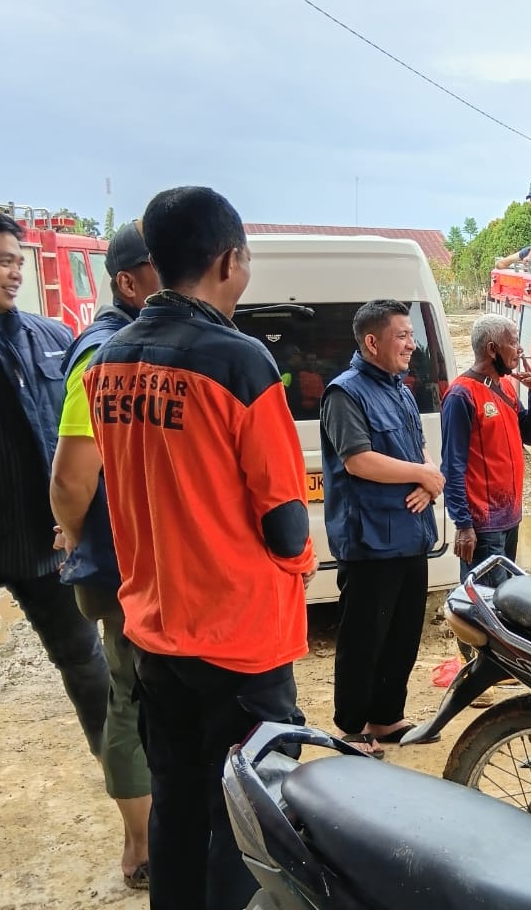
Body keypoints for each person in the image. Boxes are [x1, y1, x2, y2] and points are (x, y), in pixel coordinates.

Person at [86, 186, 317, 910]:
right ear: (229, 260)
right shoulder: (240, 363)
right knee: (252, 816)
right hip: (240, 639)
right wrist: (298, 566)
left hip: (156, 633)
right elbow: (286, 523)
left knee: (180, 802)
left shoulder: (107, 361)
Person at [0, 208, 109, 854]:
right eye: (4, 260)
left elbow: (77, 444)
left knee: (85, 662)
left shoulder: (49, 337)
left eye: (19, 260)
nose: (17, 272)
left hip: (44, 541)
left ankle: (116, 764)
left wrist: (76, 520)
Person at [49, 220, 158, 890]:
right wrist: (71, 530)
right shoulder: (104, 354)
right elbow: (70, 477)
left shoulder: (125, 341)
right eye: (158, 265)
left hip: (128, 555)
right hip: (120, 561)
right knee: (130, 694)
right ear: (127, 279)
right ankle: (141, 846)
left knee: (145, 691)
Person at [320, 300, 443, 754]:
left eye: (412, 336)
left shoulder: (400, 389)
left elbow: (420, 452)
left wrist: (432, 480)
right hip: (370, 540)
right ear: (372, 342)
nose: (412, 345)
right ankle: (352, 729)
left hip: (410, 534)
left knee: (403, 634)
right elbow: (358, 460)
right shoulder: (345, 393)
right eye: (402, 336)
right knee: (364, 639)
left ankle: (386, 718)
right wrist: (420, 474)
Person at [441, 314, 531, 579]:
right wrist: (463, 524)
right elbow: (452, 466)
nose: (519, 350)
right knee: (484, 605)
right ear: (492, 349)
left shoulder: (506, 388)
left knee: (504, 598)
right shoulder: (461, 395)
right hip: (483, 526)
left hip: (510, 519)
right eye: (512, 342)